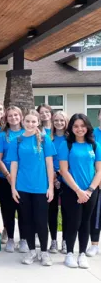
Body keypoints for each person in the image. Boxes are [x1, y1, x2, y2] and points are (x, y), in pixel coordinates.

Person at [9, 109, 55, 266]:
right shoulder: (17, 140)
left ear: (38, 122)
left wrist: (51, 187)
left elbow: (49, 165)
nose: (30, 124)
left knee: (41, 220)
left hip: (41, 187)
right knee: (27, 220)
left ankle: (44, 252)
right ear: (23, 122)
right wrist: (13, 187)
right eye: (27, 121)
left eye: (33, 121)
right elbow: (14, 165)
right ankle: (31, 251)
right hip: (23, 186)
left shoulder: (44, 139)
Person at [59, 113, 101, 269]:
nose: (79, 129)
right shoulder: (66, 145)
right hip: (72, 191)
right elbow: (64, 170)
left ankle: (82, 253)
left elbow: (99, 171)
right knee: (73, 221)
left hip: (91, 191)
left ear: (87, 127)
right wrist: (78, 191)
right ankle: (69, 253)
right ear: (71, 128)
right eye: (76, 126)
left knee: (86, 222)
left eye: (82, 126)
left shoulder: (95, 145)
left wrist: (89, 190)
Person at [0, 106, 28, 253]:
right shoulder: (2, 136)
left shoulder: (29, 133)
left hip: (24, 179)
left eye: (16, 115)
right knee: (8, 209)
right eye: (10, 116)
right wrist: (8, 175)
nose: (13, 118)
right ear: (6, 119)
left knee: (23, 209)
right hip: (5, 178)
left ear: (21, 117)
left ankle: (23, 239)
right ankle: (9, 238)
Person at [48, 111, 69, 255]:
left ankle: (66, 241)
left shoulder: (71, 139)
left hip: (67, 179)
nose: (59, 123)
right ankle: (54, 240)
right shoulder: (48, 137)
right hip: (51, 178)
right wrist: (54, 177)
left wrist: (61, 175)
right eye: (56, 120)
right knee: (52, 211)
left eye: (62, 120)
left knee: (67, 212)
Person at [86, 108, 101, 257]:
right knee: (96, 215)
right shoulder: (92, 135)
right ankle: (94, 245)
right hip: (96, 180)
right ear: (98, 116)